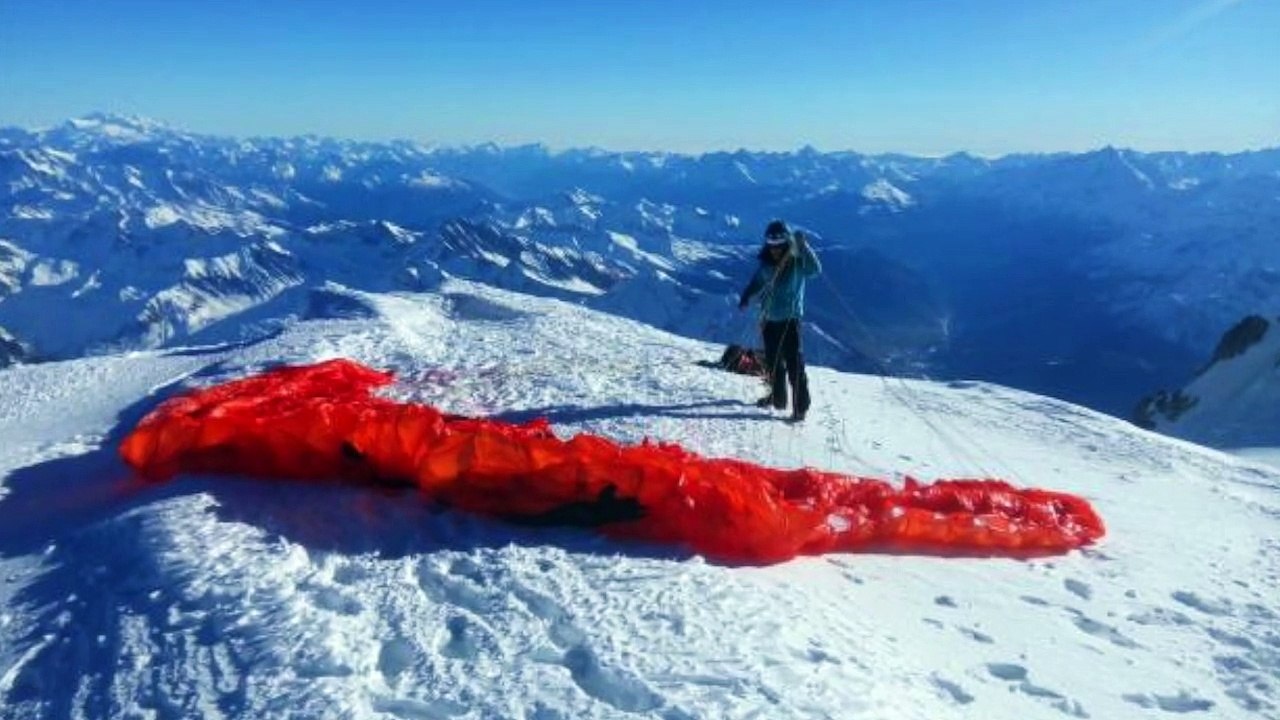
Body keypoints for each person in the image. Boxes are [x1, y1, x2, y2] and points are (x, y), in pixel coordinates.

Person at [737, 219, 822, 422]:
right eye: (771, 247)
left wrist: (804, 247)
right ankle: (778, 398)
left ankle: (800, 407)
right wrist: (746, 295)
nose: (774, 250)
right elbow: (758, 281)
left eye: (779, 247)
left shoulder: (797, 262)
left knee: (794, 363)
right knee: (774, 362)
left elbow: (815, 270)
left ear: (786, 244)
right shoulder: (767, 264)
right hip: (768, 318)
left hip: (789, 319)